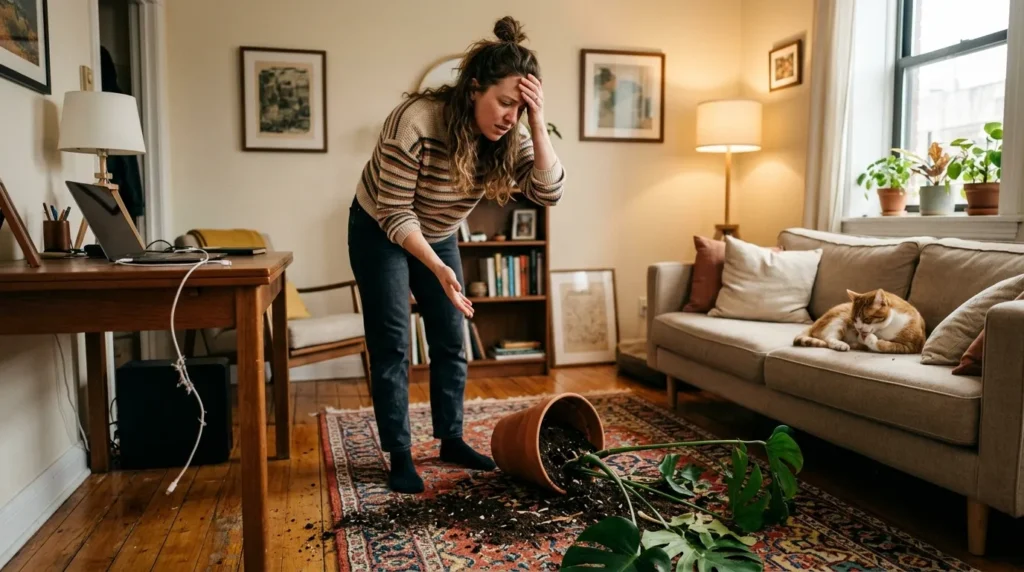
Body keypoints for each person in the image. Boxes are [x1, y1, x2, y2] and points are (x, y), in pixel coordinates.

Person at [347, 16, 565, 494]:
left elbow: (547, 192)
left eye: (519, 106)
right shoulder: (417, 122)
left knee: (450, 338)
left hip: (439, 231)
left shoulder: (512, 130)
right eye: (504, 102)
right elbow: (395, 213)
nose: (509, 116)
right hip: (381, 227)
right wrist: (440, 267)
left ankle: (450, 439)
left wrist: (535, 121)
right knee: (392, 342)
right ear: (473, 90)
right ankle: (400, 454)